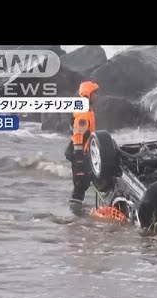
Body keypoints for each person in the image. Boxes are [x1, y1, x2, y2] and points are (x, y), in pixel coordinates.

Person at [65, 81, 99, 210]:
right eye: (94, 93)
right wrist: (79, 156)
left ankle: (77, 211)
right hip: (78, 152)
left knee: (84, 182)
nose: (97, 96)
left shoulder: (86, 109)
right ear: (87, 94)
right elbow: (78, 134)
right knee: (80, 183)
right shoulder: (83, 111)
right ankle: (75, 216)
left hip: (82, 151)